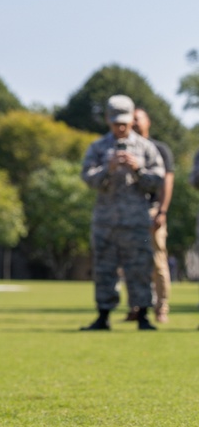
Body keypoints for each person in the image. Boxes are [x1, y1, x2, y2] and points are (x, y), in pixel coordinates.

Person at [80, 94, 165, 332]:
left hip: (137, 221)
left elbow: (158, 180)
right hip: (105, 222)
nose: (120, 126)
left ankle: (143, 314)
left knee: (139, 268)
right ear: (107, 119)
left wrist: (138, 169)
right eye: (115, 121)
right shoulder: (98, 148)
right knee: (104, 269)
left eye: (124, 122)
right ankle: (103, 315)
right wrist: (107, 170)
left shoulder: (146, 148)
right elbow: (87, 178)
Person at [132, 107, 174, 325]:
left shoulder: (159, 149)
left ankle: (161, 307)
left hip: (151, 211)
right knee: (132, 262)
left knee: (157, 262)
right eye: (132, 120)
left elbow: (167, 181)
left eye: (138, 119)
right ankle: (137, 307)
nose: (135, 123)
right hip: (129, 213)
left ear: (148, 122)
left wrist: (162, 211)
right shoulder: (125, 148)